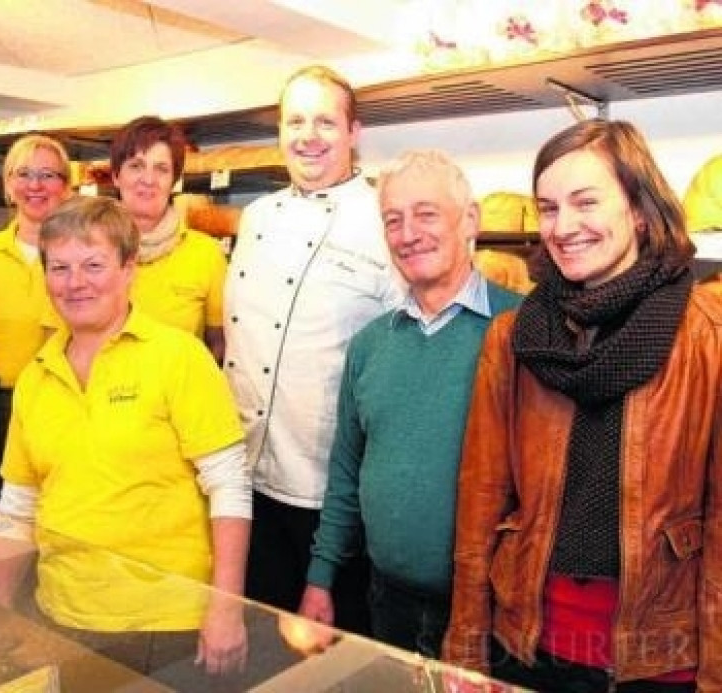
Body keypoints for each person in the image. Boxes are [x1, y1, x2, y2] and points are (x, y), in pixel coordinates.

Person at [443, 119, 722, 692]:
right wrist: (466, 646)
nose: (563, 227)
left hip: (661, 660)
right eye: (548, 208)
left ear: (640, 210)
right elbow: (480, 502)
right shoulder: (515, 338)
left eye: (585, 202)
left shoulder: (705, 336)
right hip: (530, 645)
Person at [0, 195, 251, 680]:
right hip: (62, 614)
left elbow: (229, 486)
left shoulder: (178, 356)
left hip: (166, 624)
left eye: (93, 264)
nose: (75, 282)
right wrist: (0, 608)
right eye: (60, 267)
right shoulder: (36, 376)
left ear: (129, 269)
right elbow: (18, 504)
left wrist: (226, 607)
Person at [299, 150, 521, 658]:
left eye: (426, 214)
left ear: (470, 220)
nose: (407, 234)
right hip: (387, 599)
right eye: (393, 220)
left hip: (489, 610)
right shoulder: (371, 344)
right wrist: (320, 576)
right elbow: (346, 470)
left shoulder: (521, 332)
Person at [223, 65, 403, 634]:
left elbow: (398, 353)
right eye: (295, 120)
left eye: (326, 121)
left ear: (354, 133)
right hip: (243, 475)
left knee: (331, 652)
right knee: (256, 641)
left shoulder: (384, 219)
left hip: (329, 491)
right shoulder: (255, 217)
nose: (309, 135)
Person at [0, 134, 72, 508]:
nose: (35, 186)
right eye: (24, 174)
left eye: (48, 175)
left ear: (66, 186)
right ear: (8, 184)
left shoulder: (81, 250)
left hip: (65, 403)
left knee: (59, 506)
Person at [110, 115, 228, 362]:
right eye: (136, 166)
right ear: (115, 176)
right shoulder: (87, 247)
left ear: (173, 181)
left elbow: (218, 345)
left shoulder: (205, 253)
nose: (149, 179)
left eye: (161, 169)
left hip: (176, 397)